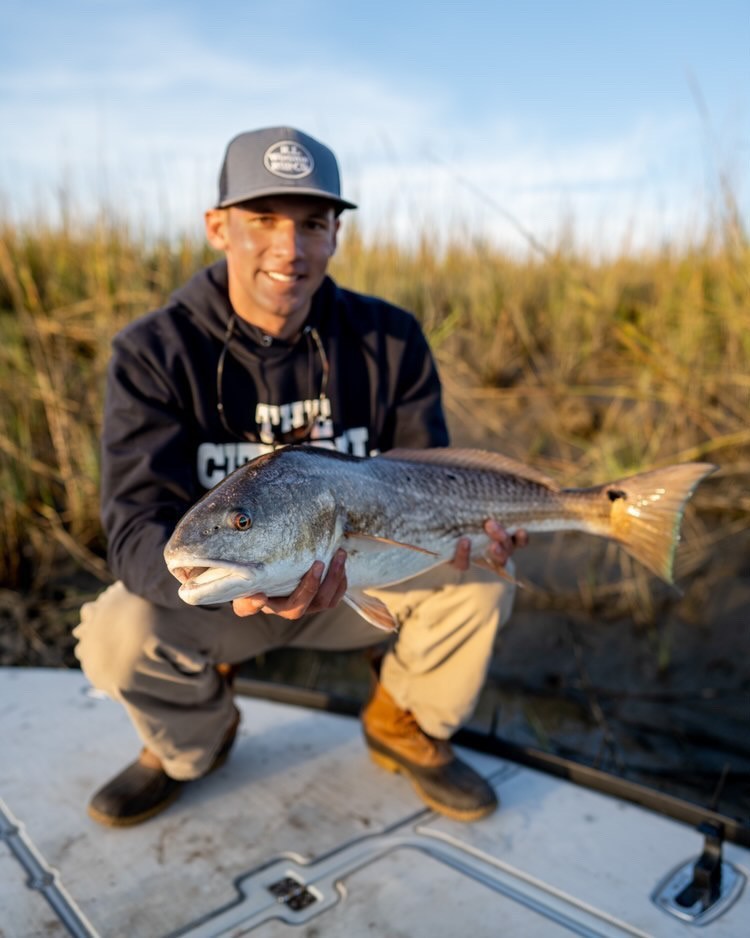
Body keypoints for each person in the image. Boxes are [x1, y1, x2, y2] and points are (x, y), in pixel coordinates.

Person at [74, 126, 527, 828]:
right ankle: (192, 745)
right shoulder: (153, 352)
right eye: (263, 221)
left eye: (312, 224)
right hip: (228, 604)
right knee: (115, 633)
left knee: (481, 579)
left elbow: (424, 480)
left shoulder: (391, 337)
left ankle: (404, 721)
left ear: (336, 235)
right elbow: (135, 532)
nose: (290, 249)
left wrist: (469, 533)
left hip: (361, 580)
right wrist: (245, 593)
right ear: (218, 227)